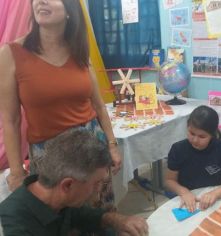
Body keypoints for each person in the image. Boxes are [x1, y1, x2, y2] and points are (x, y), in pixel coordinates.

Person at [0, 0, 121, 199]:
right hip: (48, 154)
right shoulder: (10, 54)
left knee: (100, 211)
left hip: (91, 143)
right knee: (58, 220)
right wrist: (16, 171)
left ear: (70, 10)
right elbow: (11, 121)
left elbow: (99, 106)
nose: (41, 1)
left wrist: (112, 145)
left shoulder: (79, 51)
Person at [0, 129, 148, 236]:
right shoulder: (14, 224)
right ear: (67, 185)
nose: (99, 192)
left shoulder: (57, 196)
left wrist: (120, 221)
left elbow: (86, 216)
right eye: (96, 183)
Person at [165, 105, 221, 212]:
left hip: (213, 195)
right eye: (191, 133)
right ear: (187, 127)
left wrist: (215, 193)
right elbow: (169, 180)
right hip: (186, 195)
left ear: (212, 135)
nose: (195, 140)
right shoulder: (178, 149)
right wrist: (183, 192)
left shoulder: (220, 148)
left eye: (202, 136)